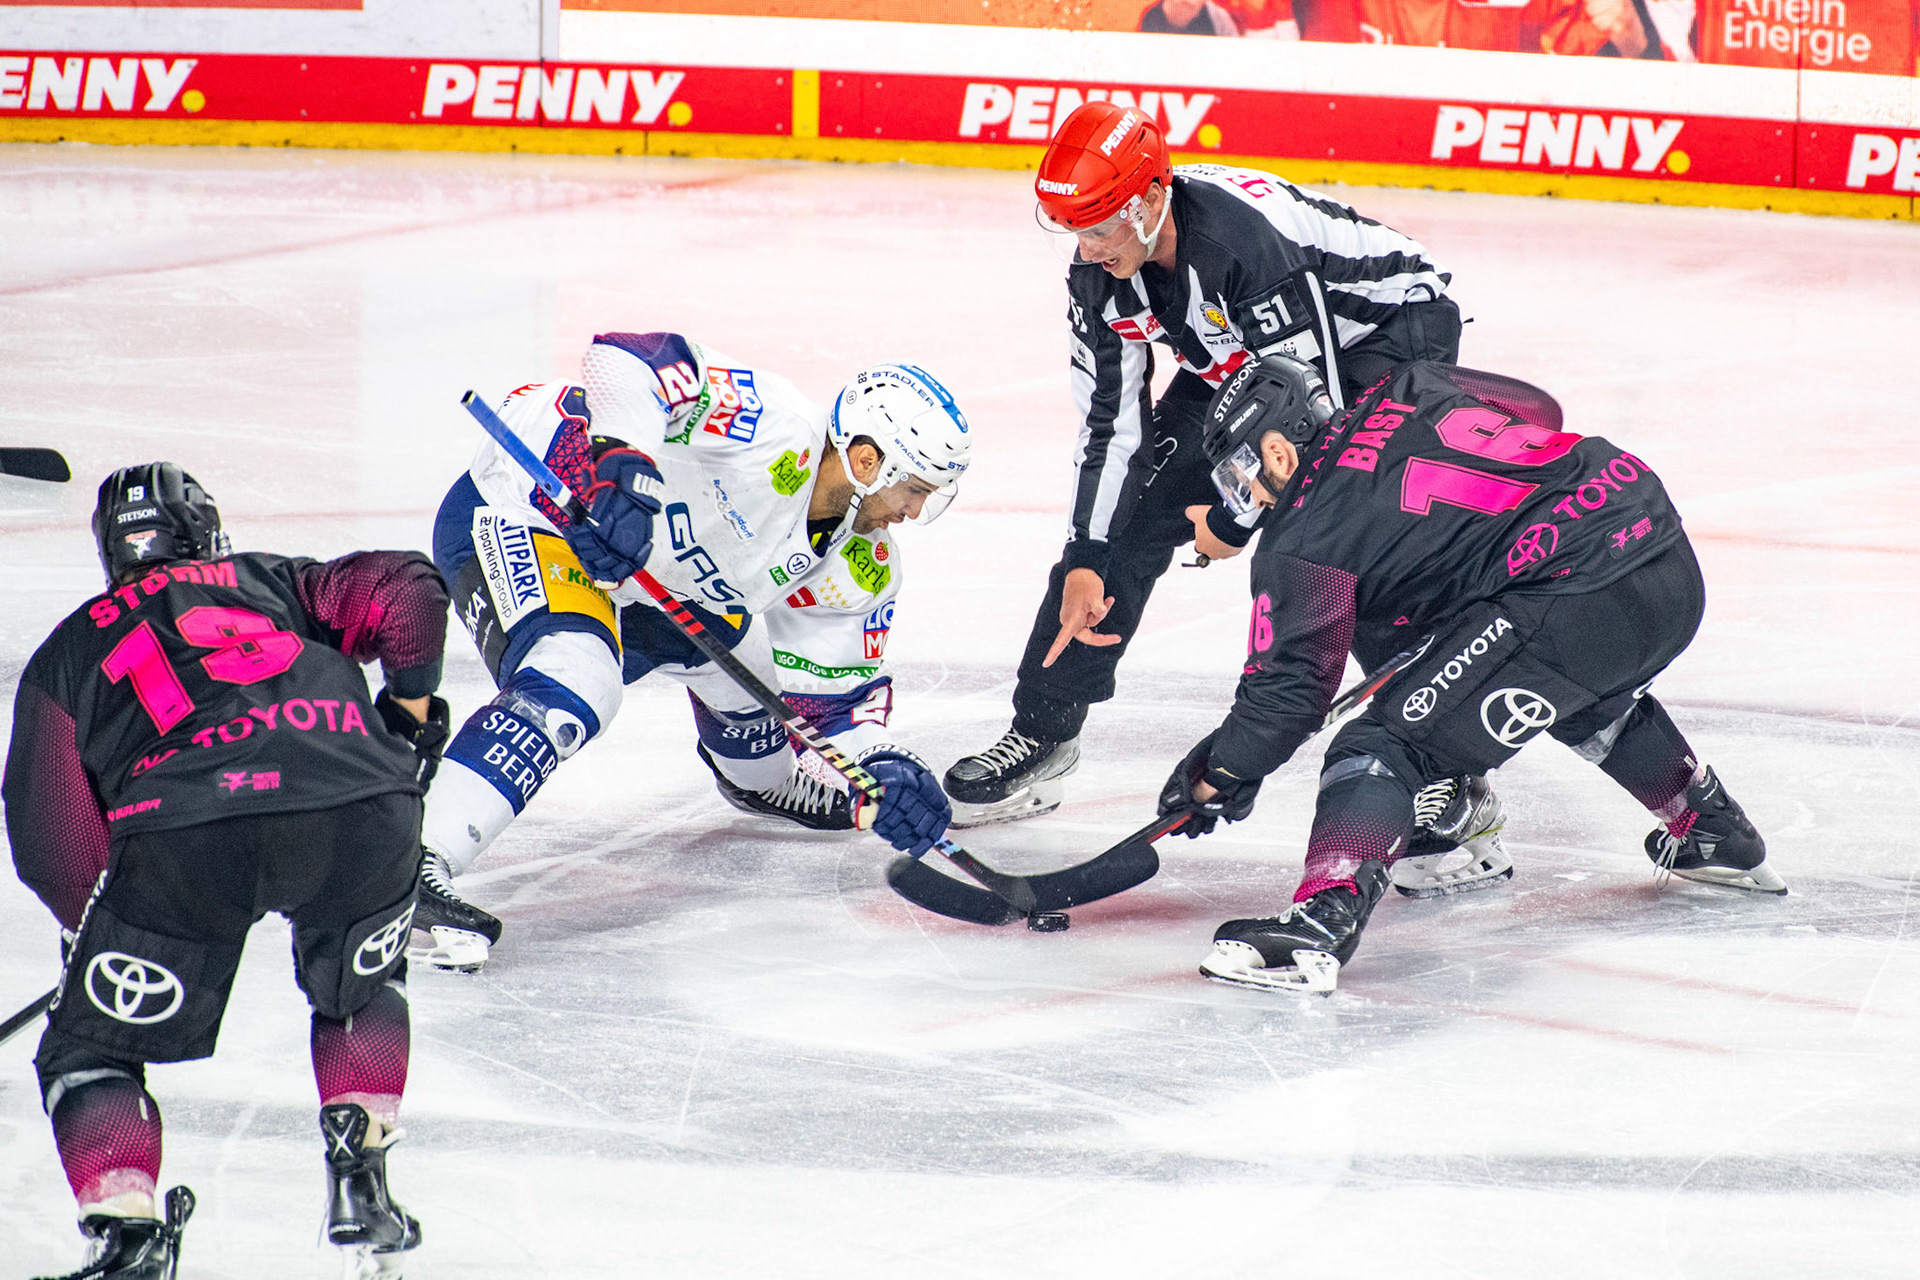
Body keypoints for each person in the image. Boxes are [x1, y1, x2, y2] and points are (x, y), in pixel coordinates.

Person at [944, 99, 1506, 897]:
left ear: (1148, 200)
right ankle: (1042, 731)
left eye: (1100, 227)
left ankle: (1450, 774)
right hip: (1251, 357)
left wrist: (1235, 521)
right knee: (1131, 521)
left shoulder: (1247, 248)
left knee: (1346, 534)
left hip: (1385, 336)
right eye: (1074, 229)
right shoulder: (1101, 272)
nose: (1087, 248)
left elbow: (1311, 426)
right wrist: (1088, 554)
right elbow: (1111, 427)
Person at [1155, 355, 1784, 994]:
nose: (1247, 499)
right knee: (1551, 678)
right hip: (1656, 544)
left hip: (1577, 594)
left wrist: (1221, 770)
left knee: (1383, 746)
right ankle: (1709, 827)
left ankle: (1321, 922)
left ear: (1277, 451)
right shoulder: (1411, 384)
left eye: (1240, 476)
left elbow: (1288, 696)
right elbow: (1539, 410)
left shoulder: (1304, 535)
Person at [5, 463, 451, 1279]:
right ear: (207, 532)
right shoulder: (276, 581)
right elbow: (407, 587)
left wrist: (89, 924)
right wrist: (410, 712)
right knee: (362, 988)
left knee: (89, 1051)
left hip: (184, 833)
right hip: (357, 801)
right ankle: (360, 1172)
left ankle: (128, 1235)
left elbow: (48, 831)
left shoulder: (68, 650)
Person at [413, 333, 968, 971]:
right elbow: (629, 358)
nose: (914, 511)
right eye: (915, 489)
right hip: (534, 510)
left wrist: (883, 769)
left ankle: (765, 785)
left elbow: (833, 703)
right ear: (868, 462)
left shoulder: (863, 563)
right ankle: (410, 858)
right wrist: (620, 468)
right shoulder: (772, 424)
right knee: (579, 681)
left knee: (753, 676)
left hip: (658, 580)